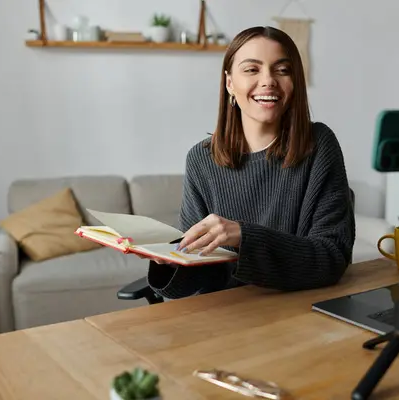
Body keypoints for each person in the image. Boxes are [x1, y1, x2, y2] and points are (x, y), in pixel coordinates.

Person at [146, 26, 356, 299]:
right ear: (229, 83)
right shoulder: (200, 159)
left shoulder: (319, 145)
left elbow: (331, 258)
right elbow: (199, 275)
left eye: (282, 70)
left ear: (295, 82)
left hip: (301, 309)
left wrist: (243, 235)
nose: (268, 80)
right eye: (252, 69)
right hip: (229, 314)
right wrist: (171, 262)